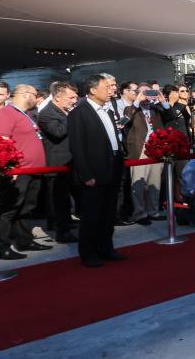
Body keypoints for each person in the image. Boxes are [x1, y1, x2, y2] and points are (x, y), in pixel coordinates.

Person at [67, 74, 127, 267]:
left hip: (113, 167)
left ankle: (106, 248)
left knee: (109, 214)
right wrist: (86, 173)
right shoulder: (80, 112)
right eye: (106, 87)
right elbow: (77, 146)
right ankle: (89, 253)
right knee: (92, 215)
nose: (112, 91)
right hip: (94, 172)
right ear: (93, 90)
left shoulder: (108, 111)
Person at [0, 84, 50, 260]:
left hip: (32, 170)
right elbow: (2, 143)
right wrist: (10, 168)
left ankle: (25, 240)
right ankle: (1, 247)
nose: (37, 97)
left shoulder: (23, 114)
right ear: (25, 94)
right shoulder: (5, 114)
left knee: (27, 207)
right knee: (9, 208)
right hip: (17, 171)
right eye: (35, 94)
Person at [122, 84, 177, 224]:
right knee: (138, 183)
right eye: (143, 94)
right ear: (136, 94)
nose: (147, 97)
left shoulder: (156, 109)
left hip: (156, 148)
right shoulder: (131, 109)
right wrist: (137, 101)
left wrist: (163, 100)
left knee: (155, 181)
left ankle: (153, 211)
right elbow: (126, 118)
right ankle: (139, 213)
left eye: (149, 94)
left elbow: (172, 116)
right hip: (139, 149)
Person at [37, 81, 80, 243]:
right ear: (57, 97)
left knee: (66, 199)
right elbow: (57, 132)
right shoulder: (48, 113)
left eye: (75, 97)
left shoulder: (63, 111)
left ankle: (66, 224)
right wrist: (72, 116)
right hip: (57, 163)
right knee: (58, 200)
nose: (74, 101)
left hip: (70, 162)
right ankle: (62, 232)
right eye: (71, 97)